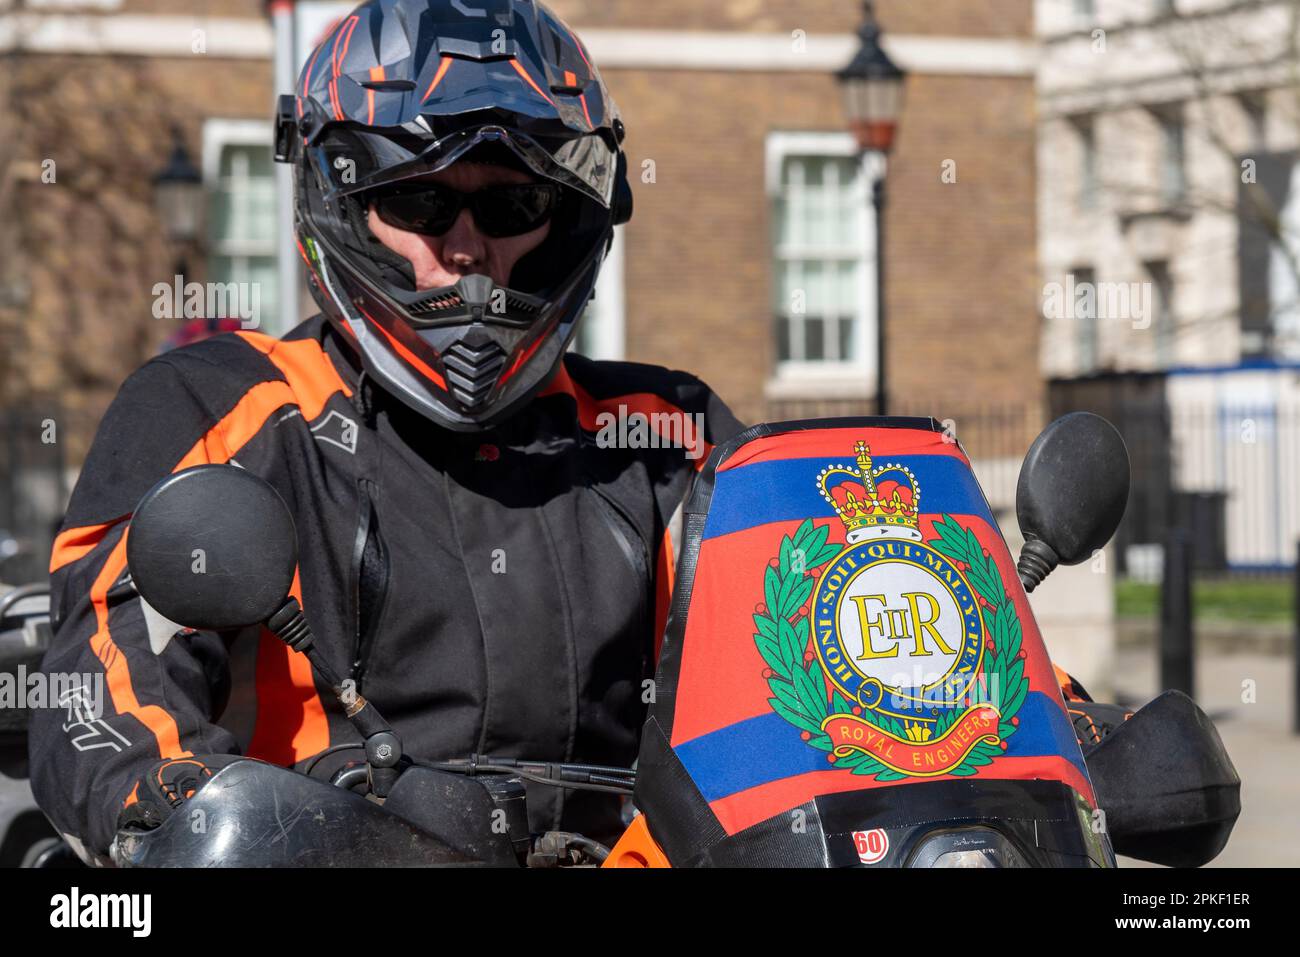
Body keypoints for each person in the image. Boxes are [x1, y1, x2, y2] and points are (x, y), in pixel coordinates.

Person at [28, 0, 742, 864]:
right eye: (419, 201)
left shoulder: (670, 436)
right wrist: (174, 805)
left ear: (571, 214)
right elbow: (108, 682)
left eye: (514, 203)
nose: (468, 248)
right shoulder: (222, 409)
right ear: (342, 200)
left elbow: (810, 664)